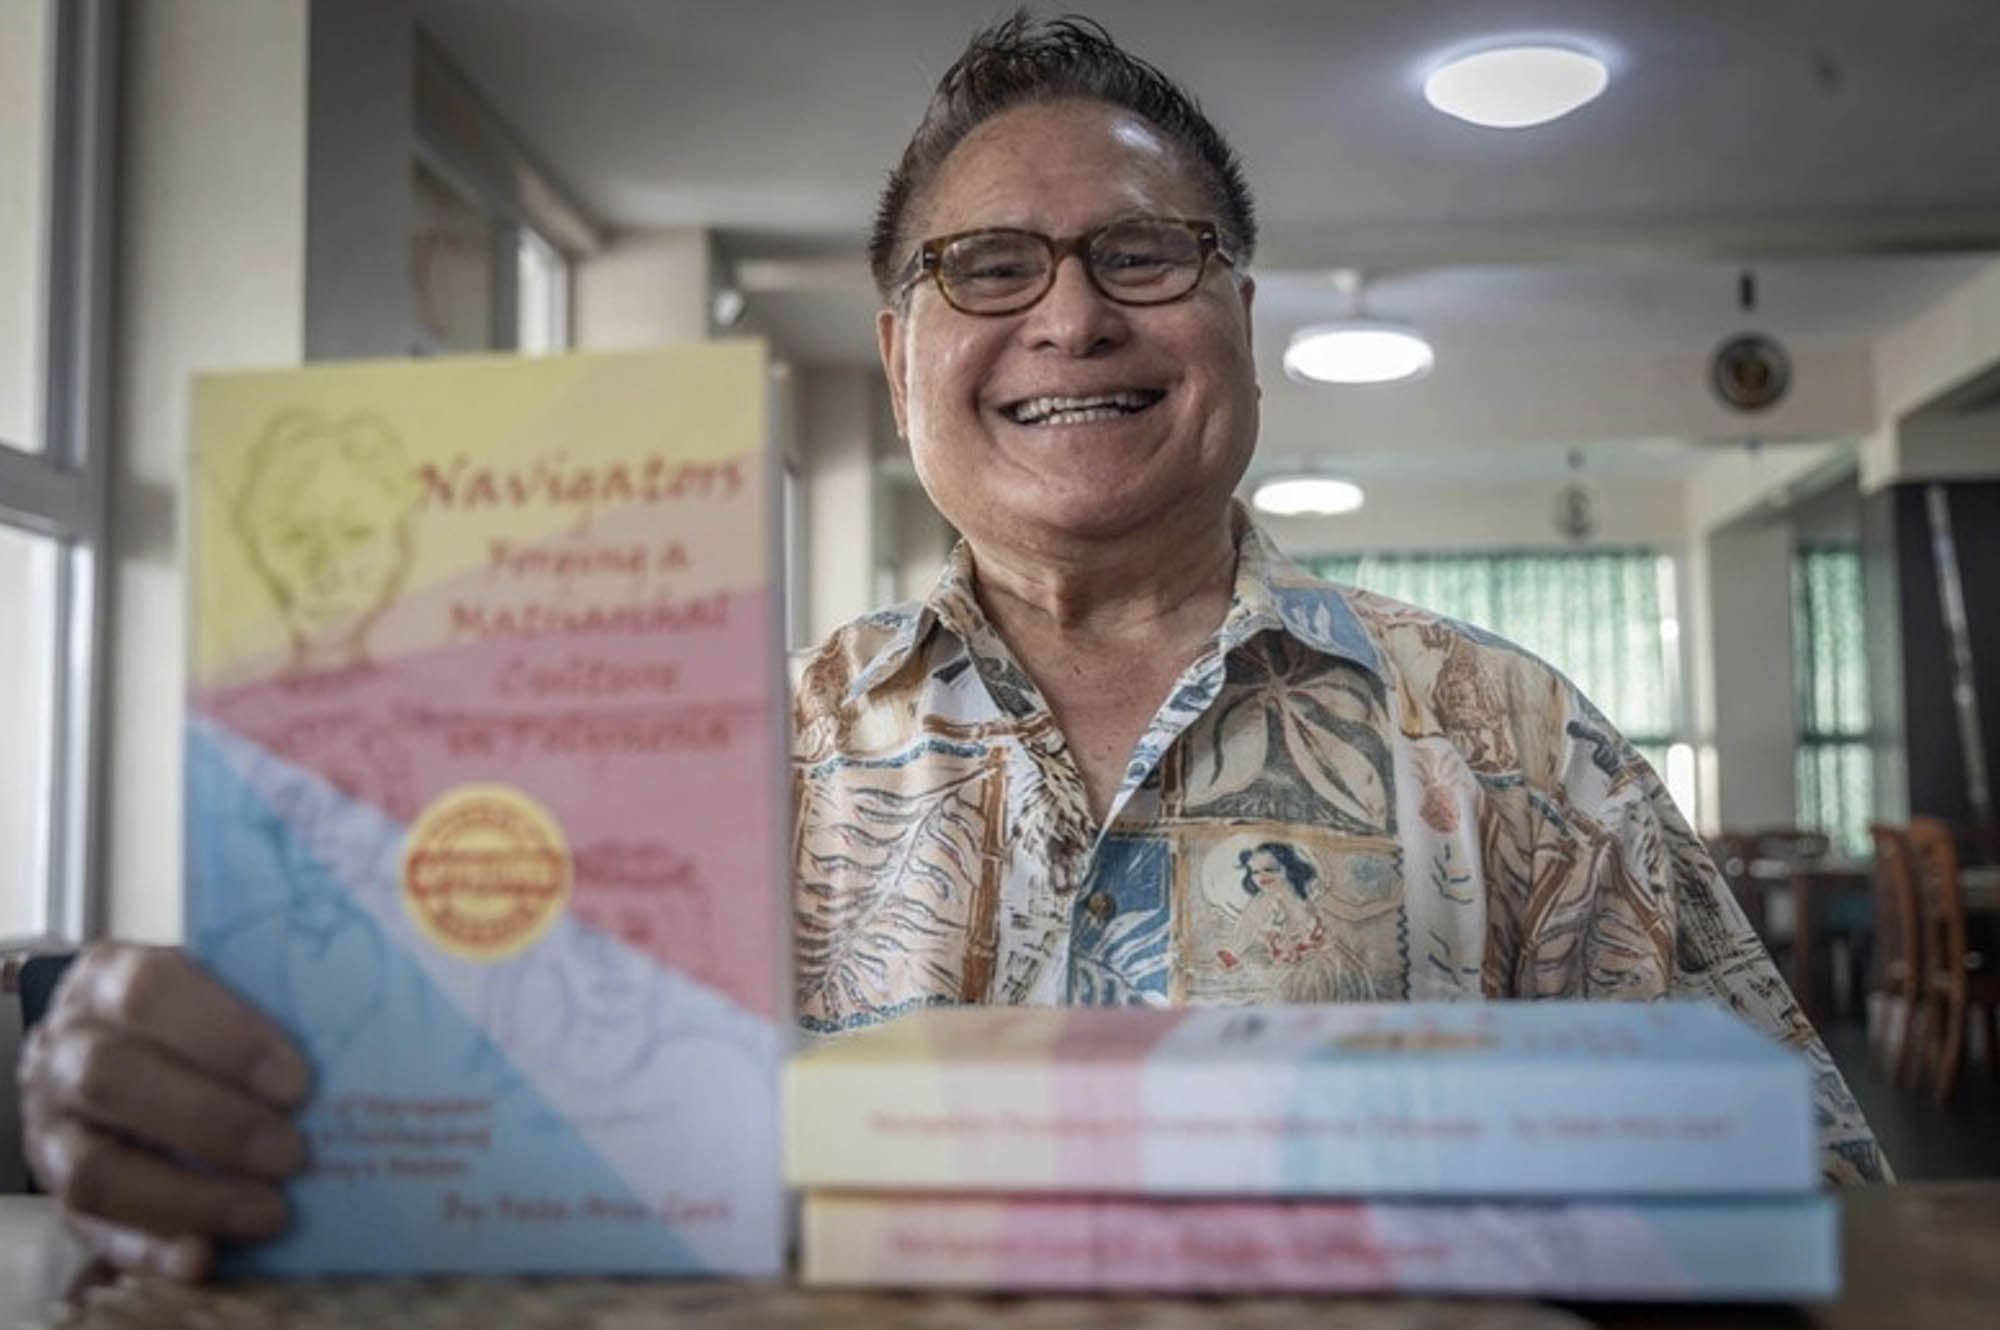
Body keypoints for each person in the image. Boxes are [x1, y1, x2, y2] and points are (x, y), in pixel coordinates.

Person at [18, 12, 1886, 1283]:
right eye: (990, 267)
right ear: (903, 347)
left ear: (1243, 318)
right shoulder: (702, 757)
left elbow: (1816, 1204)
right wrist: (200, 1102)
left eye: (1145, 254)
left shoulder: (1510, 738)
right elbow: (463, 1174)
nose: (1071, 310)